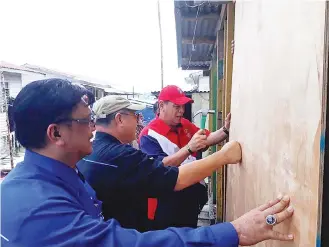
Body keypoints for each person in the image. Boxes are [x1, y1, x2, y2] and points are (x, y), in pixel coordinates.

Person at [1, 78, 295, 247]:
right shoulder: (36, 208)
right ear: (56, 134)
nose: (93, 127)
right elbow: (167, 175)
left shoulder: (64, 173)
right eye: (86, 120)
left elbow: (196, 145)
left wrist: (223, 134)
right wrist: (235, 231)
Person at [77, 95, 239, 232]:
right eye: (135, 115)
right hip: (135, 228)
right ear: (119, 119)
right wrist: (223, 157)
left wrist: (224, 131)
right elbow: (171, 176)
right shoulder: (126, 152)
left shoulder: (88, 149)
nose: (139, 121)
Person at [139, 85, 231, 229]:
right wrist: (189, 148)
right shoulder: (148, 135)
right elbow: (159, 168)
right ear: (162, 105)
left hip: (190, 198)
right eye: (177, 106)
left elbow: (206, 138)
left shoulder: (185, 124)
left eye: (183, 106)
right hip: (167, 202)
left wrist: (225, 130)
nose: (181, 111)